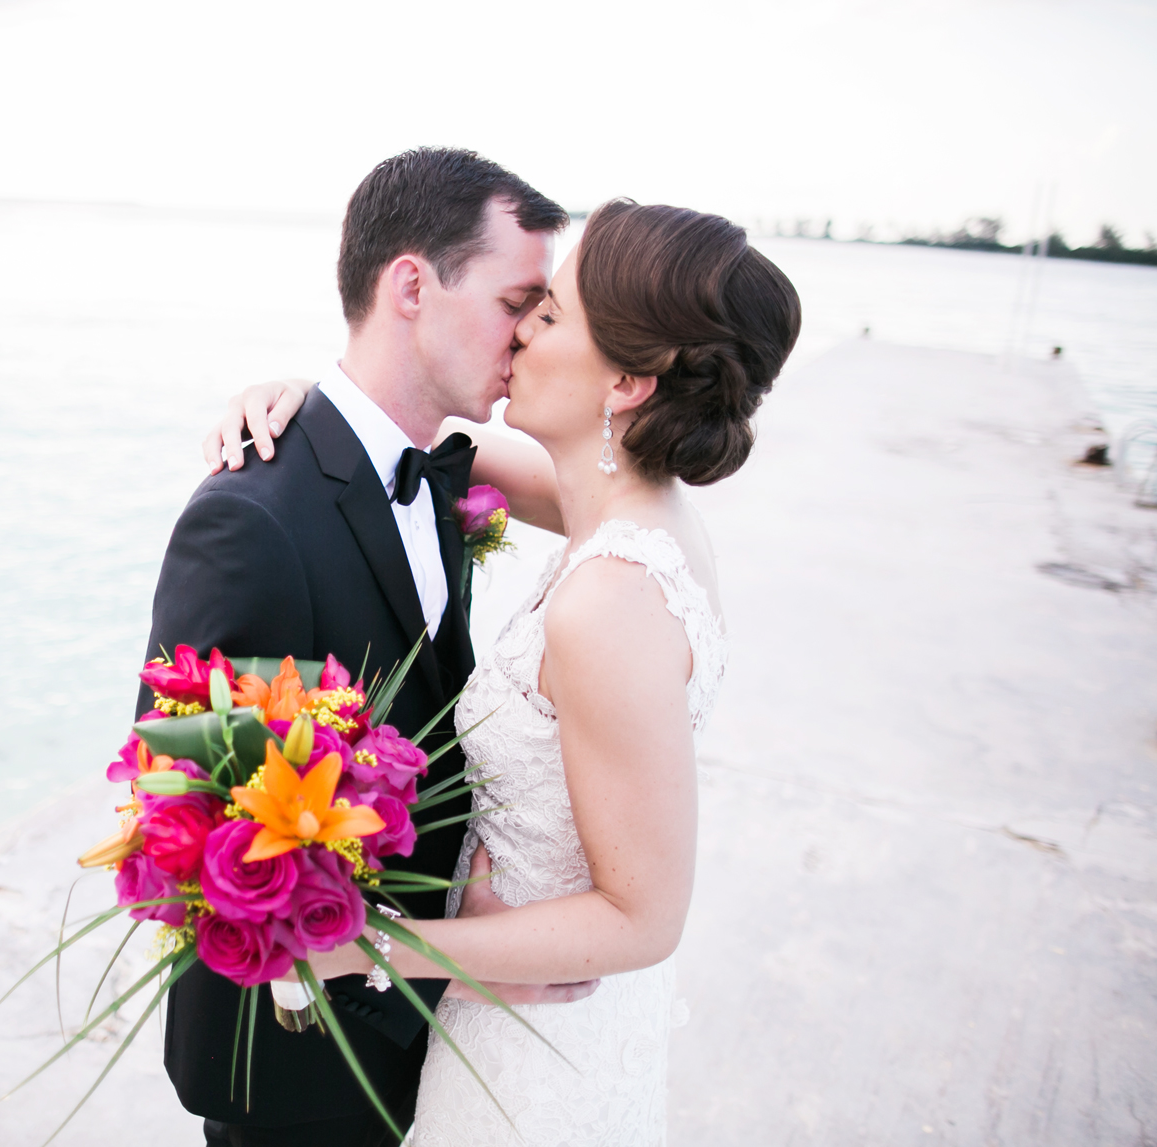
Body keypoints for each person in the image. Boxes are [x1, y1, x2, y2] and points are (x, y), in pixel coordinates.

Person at [208, 198, 801, 1143]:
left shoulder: (611, 599)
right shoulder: (639, 520)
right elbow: (412, 445)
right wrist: (301, 394)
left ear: (630, 385)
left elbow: (643, 918)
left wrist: (376, 947)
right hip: (525, 1018)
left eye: (552, 314)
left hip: (534, 1046)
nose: (522, 329)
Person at [143, 147, 578, 1147]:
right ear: (412, 285)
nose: (530, 336)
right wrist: (455, 960)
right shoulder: (250, 519)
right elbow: (204, 851)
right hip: (305, 1064)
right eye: (519, 300)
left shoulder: (442, 473)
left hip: (430, 1046)